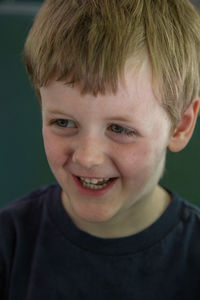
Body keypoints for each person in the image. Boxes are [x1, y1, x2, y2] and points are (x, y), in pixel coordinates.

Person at [1, 0, 200, 299]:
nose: (87, 157)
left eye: (120, 129)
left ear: (181, 126)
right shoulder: (10, 244)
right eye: (64, 122)